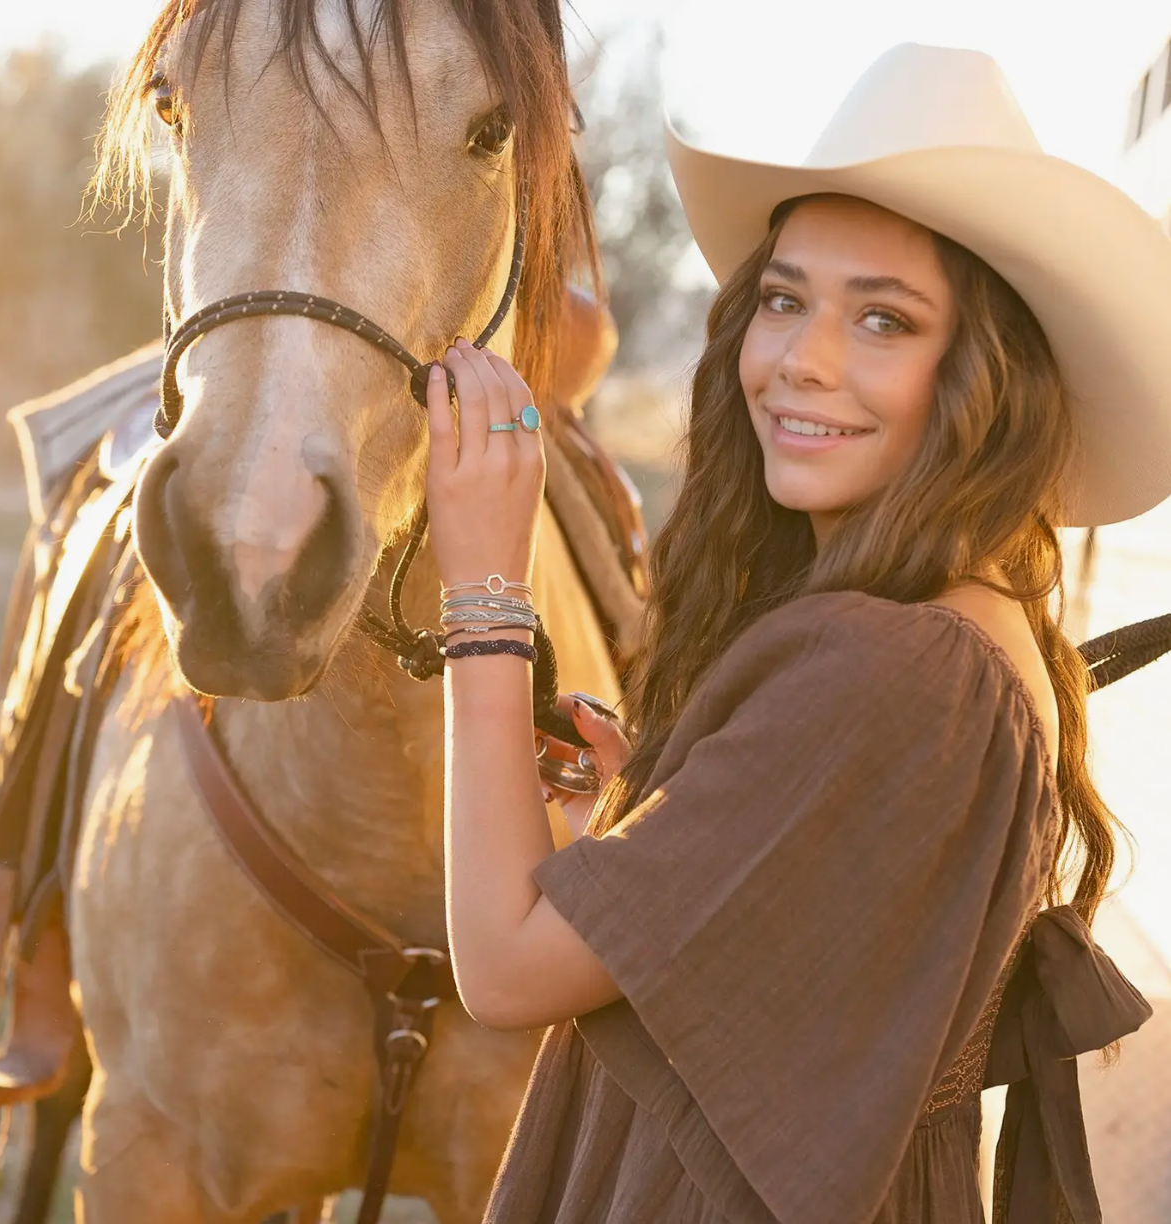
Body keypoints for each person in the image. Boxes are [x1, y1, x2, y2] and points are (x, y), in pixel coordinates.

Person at [422, 43, 1168, 1224]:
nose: (800, 363)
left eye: (883, 319)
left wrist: (484, 597)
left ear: (980, 376)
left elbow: (506, 970)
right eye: (785, 299)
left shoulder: (892, 663)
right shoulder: (960, 619)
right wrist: (663, 828)